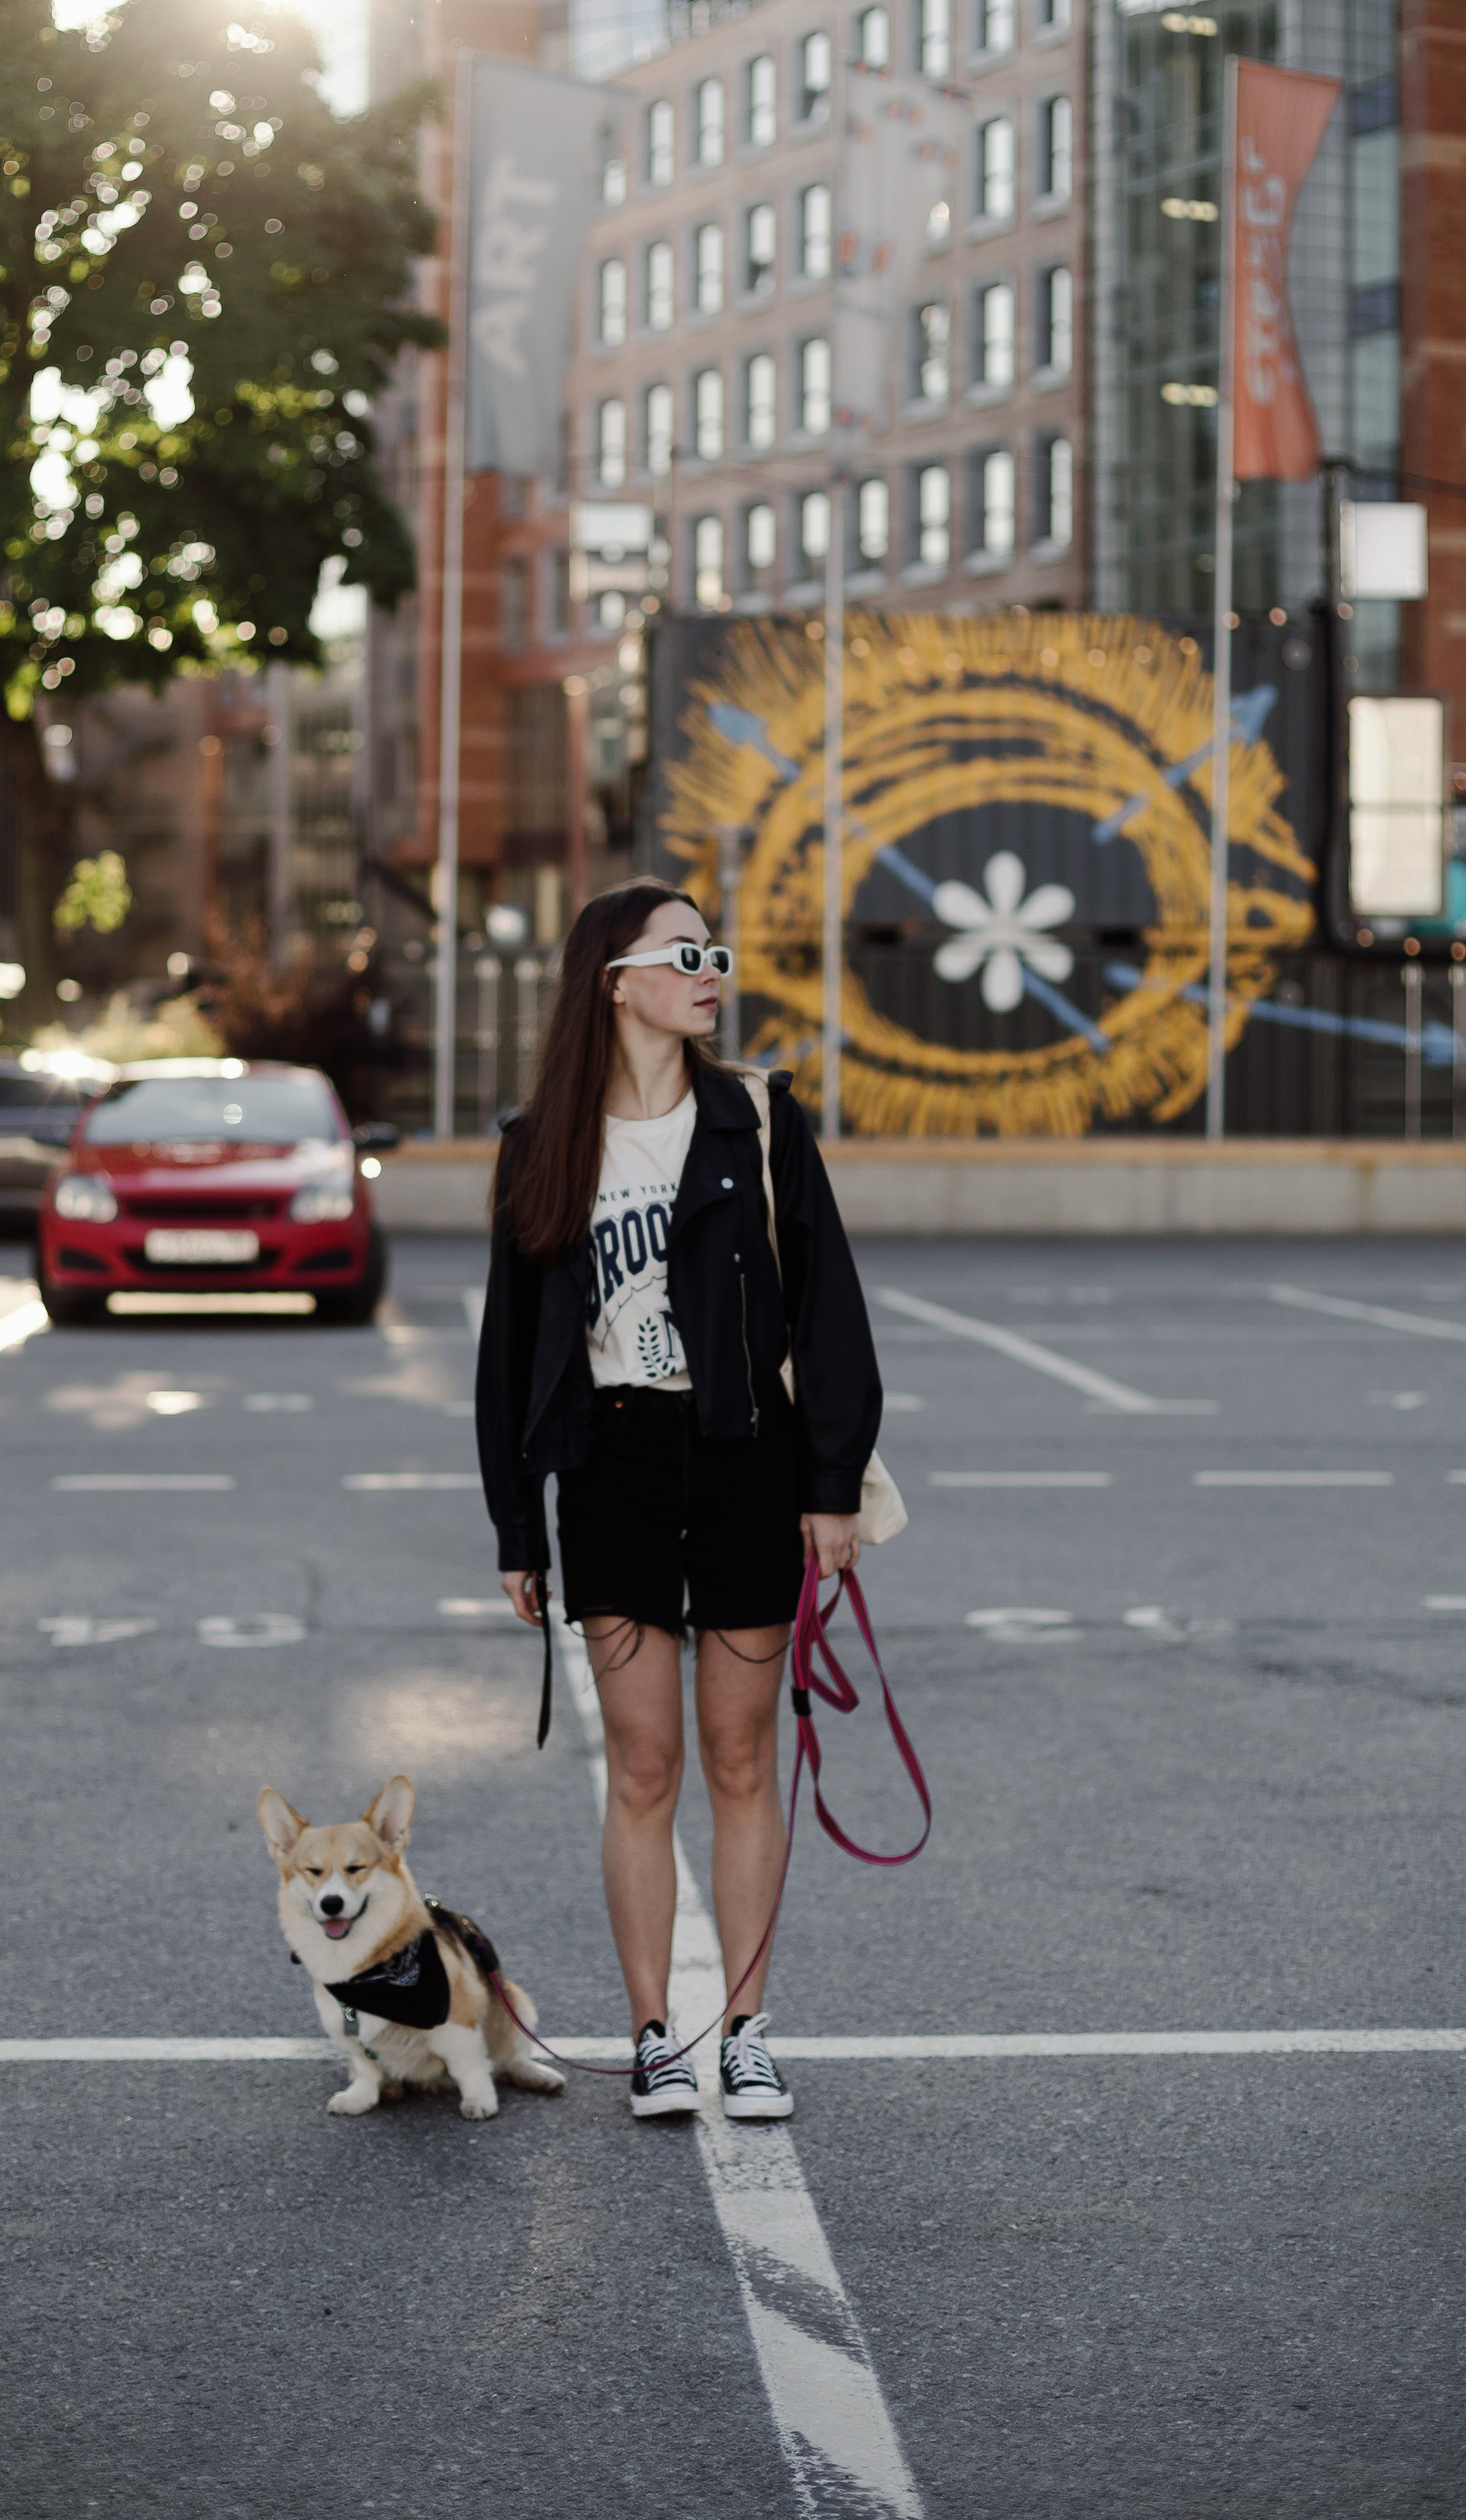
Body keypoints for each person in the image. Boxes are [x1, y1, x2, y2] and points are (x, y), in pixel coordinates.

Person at [475, 877, 883, 2122]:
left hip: (748, 1454)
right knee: (644, 1768)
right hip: (612, 1468)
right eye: (686, 952)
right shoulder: (543, 1141)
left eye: (718, 952)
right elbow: (508, 1351)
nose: (713, 970)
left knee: (741, 1757)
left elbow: (830, 1308)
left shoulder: (756, 1120)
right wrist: (515, 1523)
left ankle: (746, 2033)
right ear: (616, 981)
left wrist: (832, 1488)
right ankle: (656, 2036)